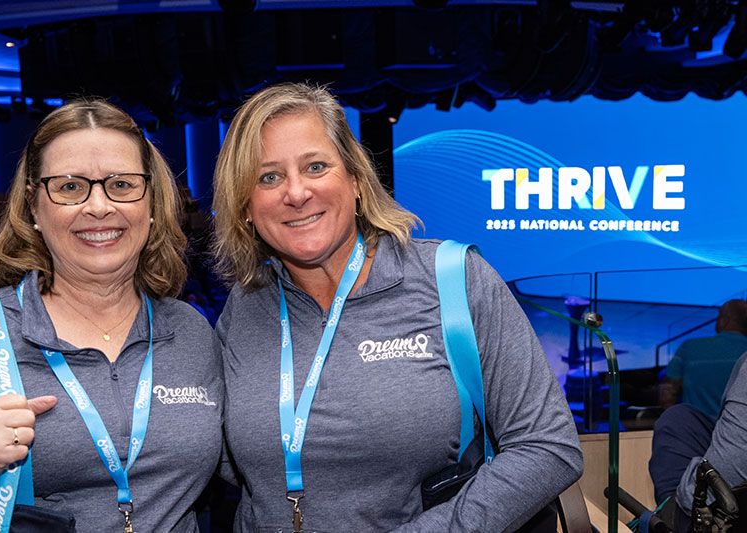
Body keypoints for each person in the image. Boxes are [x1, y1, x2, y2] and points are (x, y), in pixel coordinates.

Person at [211, 83, 583, 532]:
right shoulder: (246, 306)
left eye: (316, 166)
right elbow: (220, 457)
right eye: (268, 177)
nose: (296, 192)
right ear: (246, 207)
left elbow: (548, 446)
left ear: (356, 180)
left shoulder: (454, 279)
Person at [0, 99, 223, 532]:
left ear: (151, 203)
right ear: (34, 206)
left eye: (122, 184)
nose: (98, 206)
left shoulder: (190, 330)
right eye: (70, 187)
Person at [649, 350, 747, 531]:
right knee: (679, 419)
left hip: (720, 505)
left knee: (675, 420)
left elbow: (730, 468)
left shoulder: (689, 348)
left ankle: (673, 517)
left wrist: (685, 504)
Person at [659, 299, 747, 421]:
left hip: (695, 428)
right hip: (738, 430)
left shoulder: (689, 347)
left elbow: (667, 396)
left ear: (724, 321)